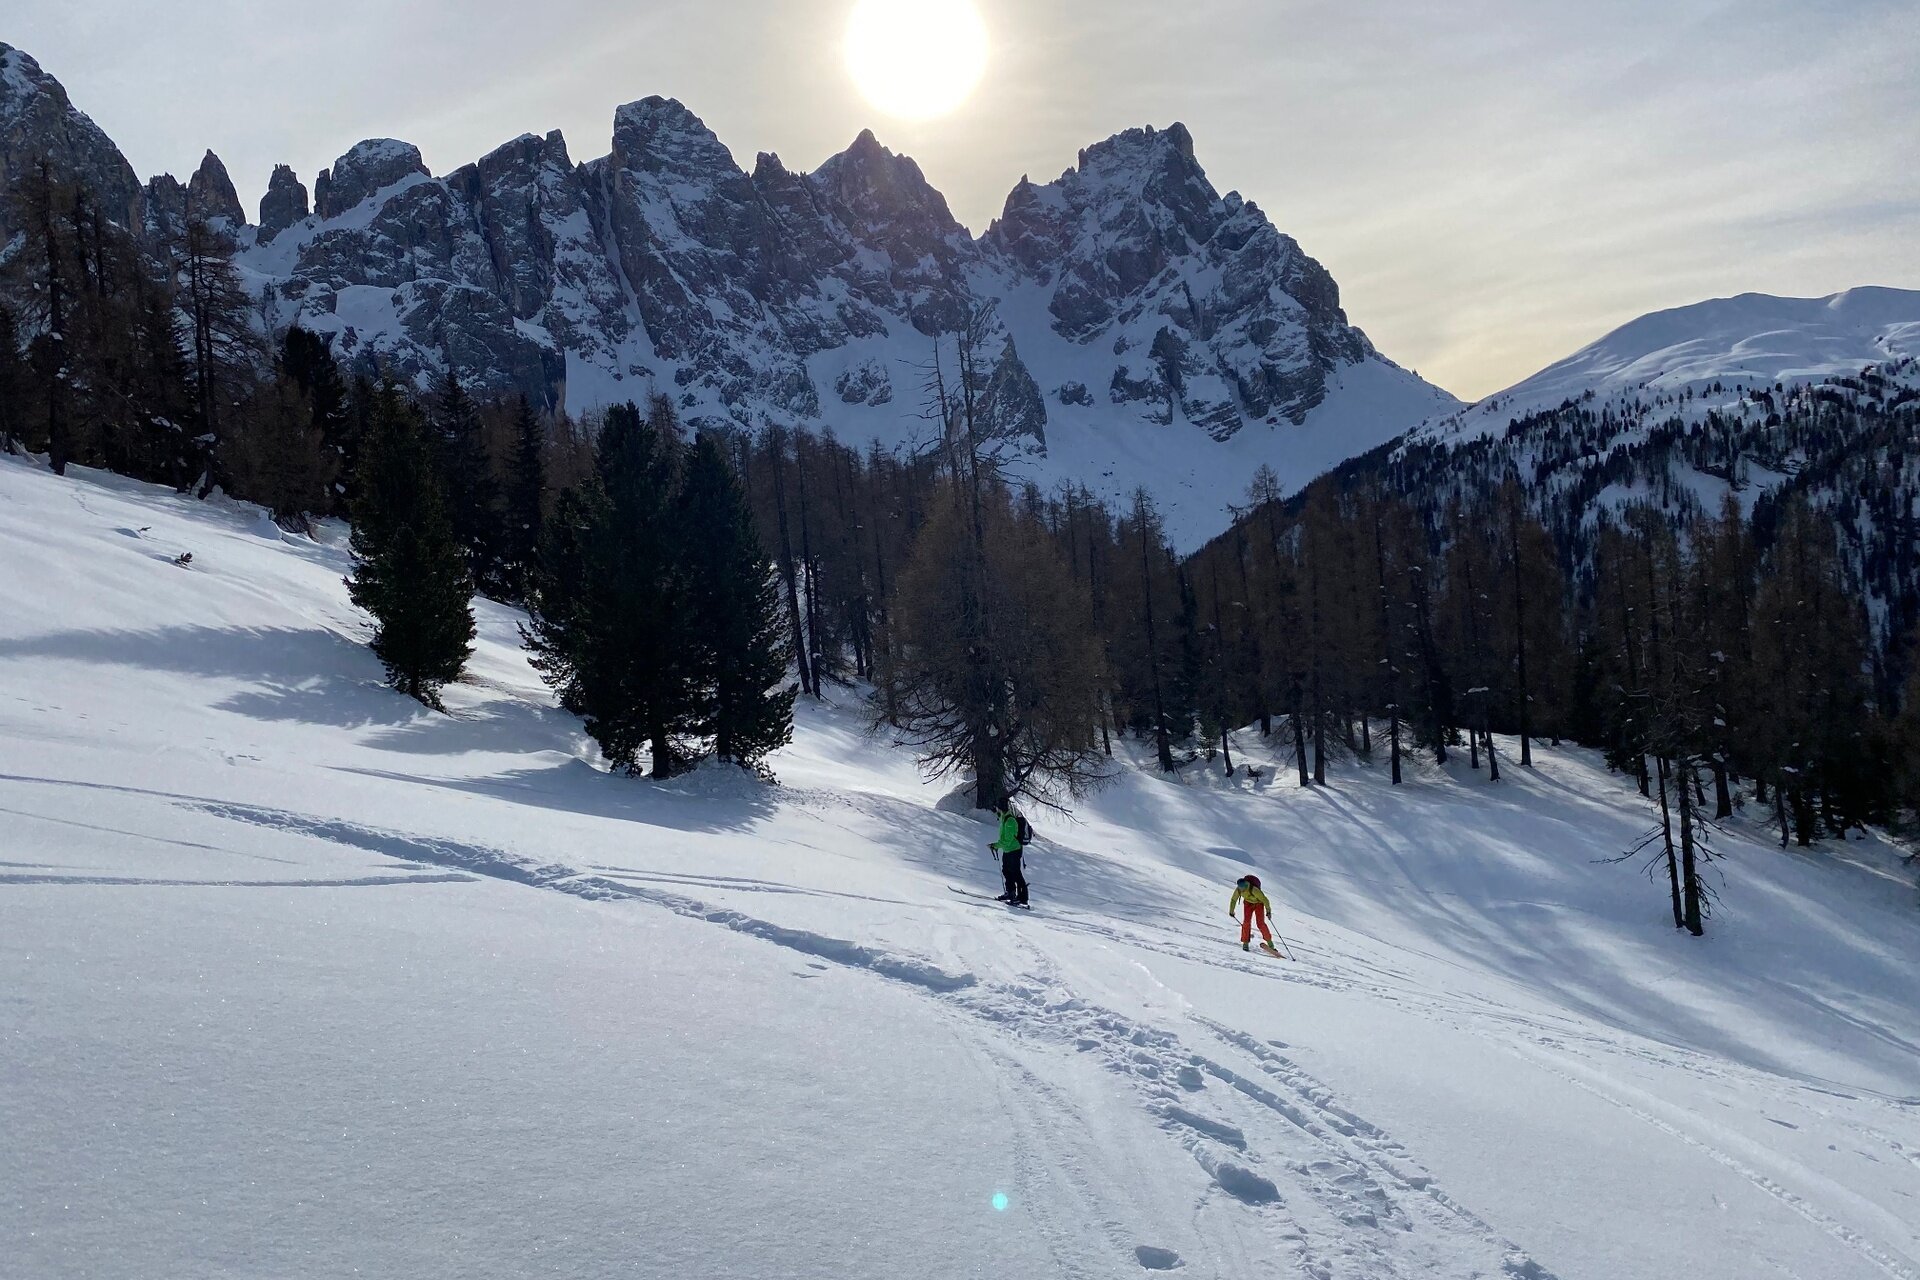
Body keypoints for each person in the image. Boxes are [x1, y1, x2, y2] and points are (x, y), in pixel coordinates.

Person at [990, 804, 1029, 907]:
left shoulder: (1010, 821)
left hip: (1014, 850)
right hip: (1008, 850)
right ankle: (1010, 893)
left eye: (998, 807)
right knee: (1006, 871)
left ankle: (1022, 898)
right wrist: (995, 811)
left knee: (1016, 873)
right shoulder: (1004, 816)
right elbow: (1000, 816)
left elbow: (1008, 840)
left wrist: (995, 845)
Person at [1229, 875, 1276, 952]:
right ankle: (1245, 943)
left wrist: (1268, 911)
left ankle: (1270, 944)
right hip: (1248, 903)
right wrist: (1231, 910)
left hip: (1258, 904)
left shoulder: (1254, 890)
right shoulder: (1238, 890)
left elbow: (1265, 900)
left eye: (1242, 887)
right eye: (1240, 887)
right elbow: (1234, 899)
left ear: (1245, 885)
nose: (1241, 889)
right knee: (1246, 922)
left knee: (1260, 924)